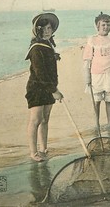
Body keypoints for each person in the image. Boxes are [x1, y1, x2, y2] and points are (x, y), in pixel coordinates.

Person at [25, 13, 63, 162]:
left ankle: (43, 148)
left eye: (50, 28)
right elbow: (40, 74)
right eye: (45, 29)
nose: (48, 31)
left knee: (45, 120)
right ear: (38, 31)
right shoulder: (36, 49)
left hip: (49, 88)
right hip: (37, 88)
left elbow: (51, 72)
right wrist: (54, 91)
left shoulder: (48, 45)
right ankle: (33, 152)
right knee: (36, 120)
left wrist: (54, 88)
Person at [83, 12, 110, 129]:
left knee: (109, 100)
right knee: (96, 101)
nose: (106, 27)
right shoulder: (92, 40)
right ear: (97, 26)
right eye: (103, 25)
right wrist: (87, 78)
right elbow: (87, 60)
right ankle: (97, 123)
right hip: (96, 74)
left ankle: (109, 124)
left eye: (108, 24)